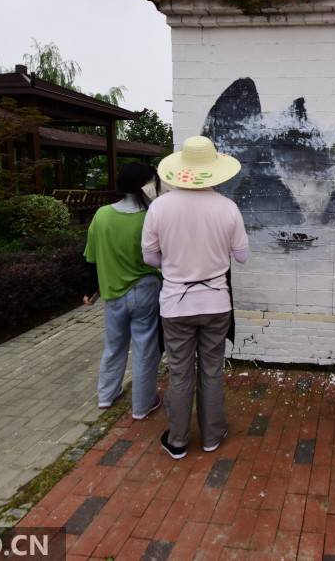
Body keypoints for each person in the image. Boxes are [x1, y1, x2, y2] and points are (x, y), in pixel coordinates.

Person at [142, 135, 249, 460]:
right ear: (213, 169)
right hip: (217, 301)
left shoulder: (159, 207)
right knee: (212, 368)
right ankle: (212, 436)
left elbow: (148, 256)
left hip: (175, 304)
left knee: (179, 371)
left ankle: (177, 440)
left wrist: (175, 266)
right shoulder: (228, 208)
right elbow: (242, 256)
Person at [82, 162, 164, 420]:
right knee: (144, 348)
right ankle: (142, 406)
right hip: (147, 291)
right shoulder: (150, 216)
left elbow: (90, 259)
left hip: (113, 293)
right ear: (145, 185)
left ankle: (106, 396)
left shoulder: (102, 215)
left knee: (114, 346)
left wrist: (90, 290)